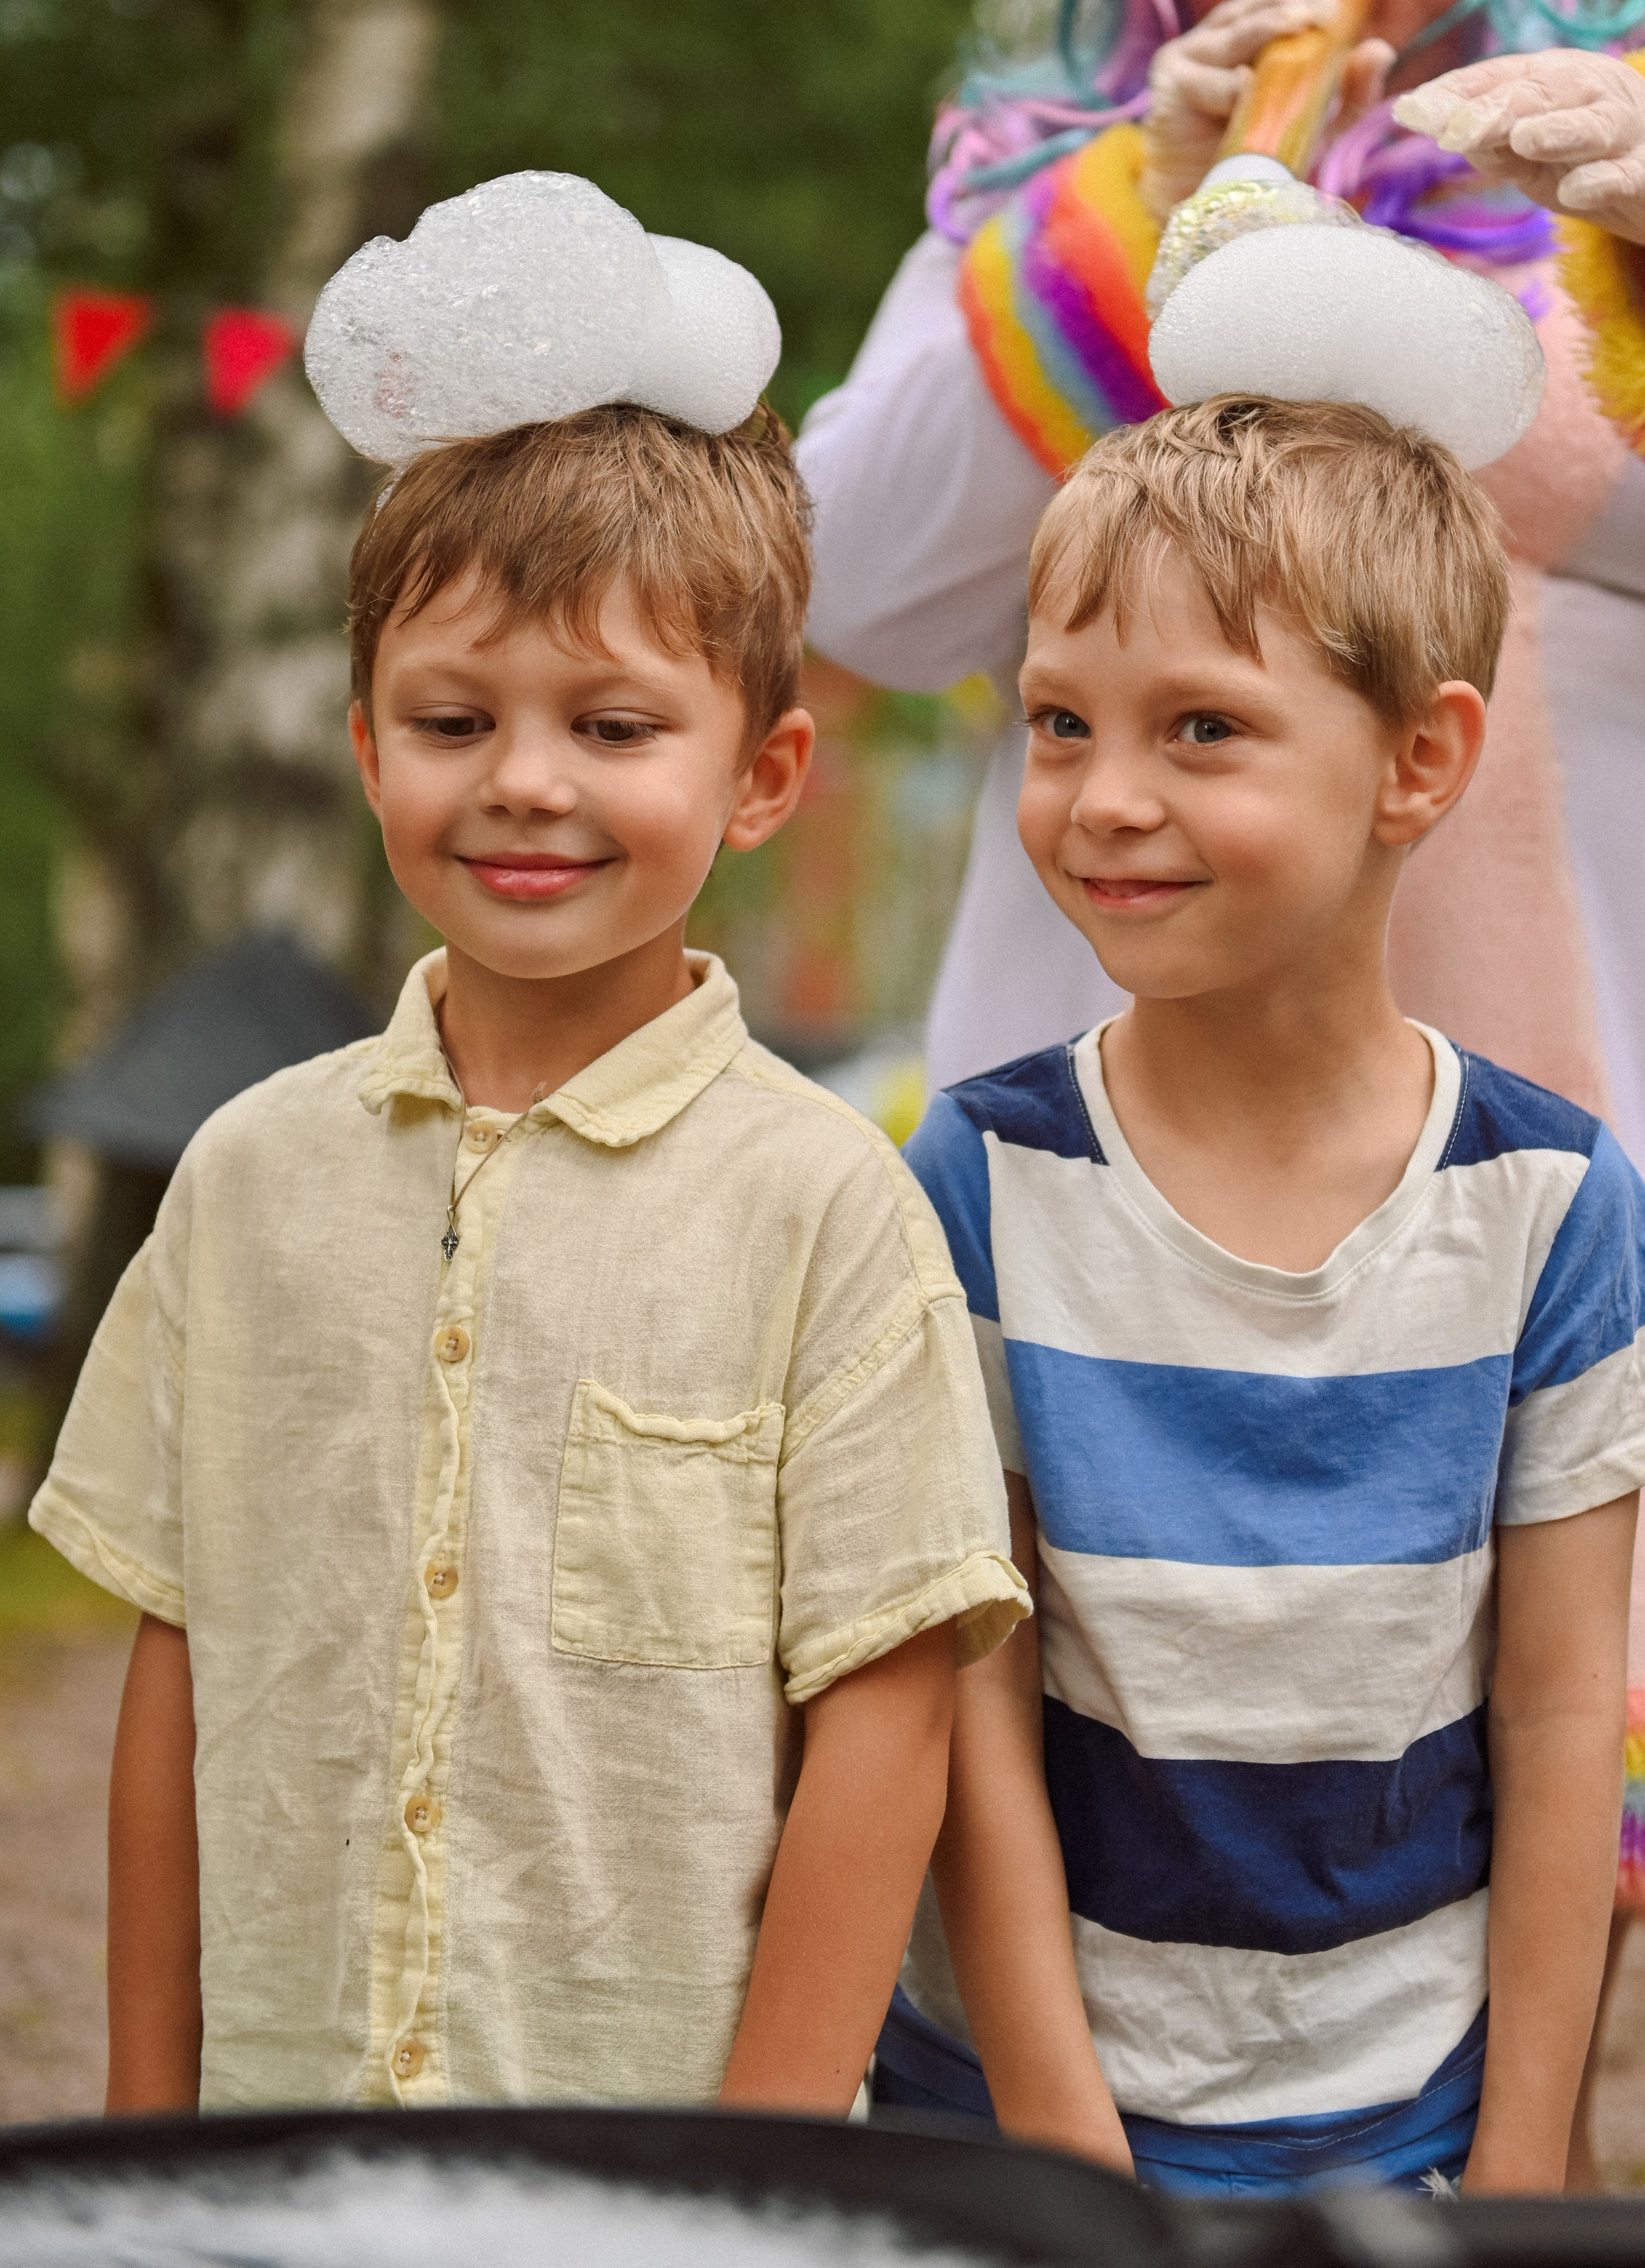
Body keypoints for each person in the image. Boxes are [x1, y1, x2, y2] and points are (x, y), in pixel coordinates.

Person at [795, 0, 1645, 2036]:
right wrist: (1134, 238)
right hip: (1155, 1017)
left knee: (1590, 1581)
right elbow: (856, 572)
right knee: (1178, 1648)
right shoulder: (1045, 203)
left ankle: (1528, 2132)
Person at [28, 173, 1026, 2114]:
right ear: (367, 746)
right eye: (455, 716)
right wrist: (150, 2139)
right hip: (284, 2169)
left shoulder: (825, 1209)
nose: (528, 784)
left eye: (615, 724)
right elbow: (176, 1672)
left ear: (761, 777)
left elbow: (890, 1716)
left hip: (653, 2183)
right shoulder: (244, 1179)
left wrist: (757, 2184)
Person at [873, 393, 1645, 2195]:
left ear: (1418, 762)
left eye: (1202, 727)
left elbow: (1566, 1707)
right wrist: (1064, 2150)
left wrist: (1516, 2159)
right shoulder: (972, 1183)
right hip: (1022, 2124)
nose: (1106, 798)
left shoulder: (1551, 1207)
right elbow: (971, 1694)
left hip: (1402, 2124)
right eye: (1057, 722)